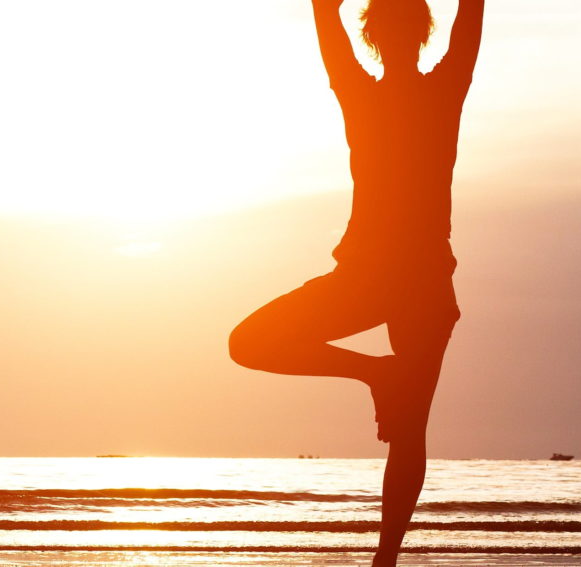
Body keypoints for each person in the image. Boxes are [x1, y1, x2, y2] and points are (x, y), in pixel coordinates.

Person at [227, 0, 482, 564]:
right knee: (408, 424)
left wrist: (327, 9)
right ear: (419, 32)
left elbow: (329, 24)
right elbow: (468, 24)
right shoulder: (433, 89)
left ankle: (385, 557)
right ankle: (385, 554)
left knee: (410, 423)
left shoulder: (377, 91)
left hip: (398, 278)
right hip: (394, 277)